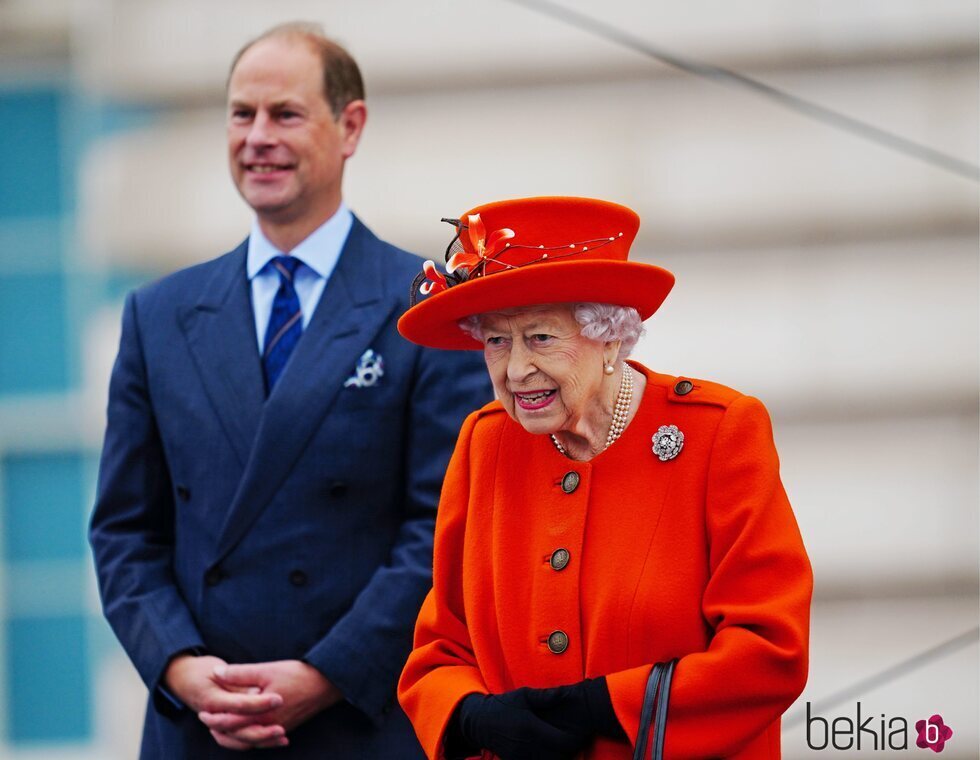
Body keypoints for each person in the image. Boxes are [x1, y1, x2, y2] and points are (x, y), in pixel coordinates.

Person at [89, 22, 491, 759]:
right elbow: (124, 532)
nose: (258, 136)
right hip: (202, 728)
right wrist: (180, 667)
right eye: (242, 114)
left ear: (350, 127)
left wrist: (325, 673)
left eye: (285, 114)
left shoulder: (425, 307)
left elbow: (444, 531)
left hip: (362, 721)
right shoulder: (159, 315)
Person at [396, 196, 813, 759]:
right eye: (497, 340)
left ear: (611, 336)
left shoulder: (718, 434)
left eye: (541, 337)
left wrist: (606, 706)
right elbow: (442, 646)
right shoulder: (485, 442)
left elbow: (769, 650)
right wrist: (470, 716)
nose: (516, 369)